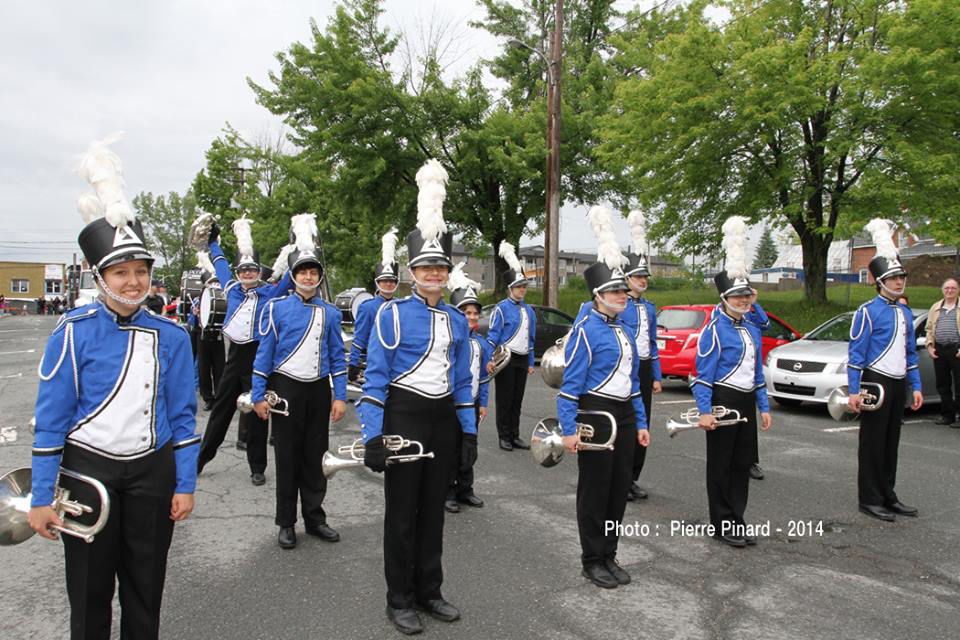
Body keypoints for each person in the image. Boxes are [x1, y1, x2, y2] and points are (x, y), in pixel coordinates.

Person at [28, 135, 198, 639]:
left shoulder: (172, 335)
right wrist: (42, 495)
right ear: (100, 276)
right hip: (87, 474)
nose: (132, 282)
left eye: (140, 271)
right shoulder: (73, 331)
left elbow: (184, 415)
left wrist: (184, 482)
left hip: (152, 471)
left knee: (146, 592)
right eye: (121, 272)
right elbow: (51, 417)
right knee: (89, 594)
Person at [358, 160, 476, 635]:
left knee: (434, 512)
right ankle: (399, 598)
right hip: (403, 415)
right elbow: (376, 380)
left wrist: (467, 431)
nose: (433, 273)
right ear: (412, 271)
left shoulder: (455, 320)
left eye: (440, 267)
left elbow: (464, 380)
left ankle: (430, 591)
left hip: (442, 418)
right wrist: (372, 435)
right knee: (402, 516)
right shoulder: (390, 314)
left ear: (447, 274)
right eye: (426, 266)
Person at [557, 206, 649, 589]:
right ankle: (591, 558)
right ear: (597, 295)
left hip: (624, 413)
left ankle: (610, 553)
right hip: (594, 413)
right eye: (614, 290)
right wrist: (567, 428)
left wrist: (641, 422)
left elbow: (631, 383)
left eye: (624, 290)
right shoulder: (584, 330)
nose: (623, 295)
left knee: (616, 490)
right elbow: (569, 387)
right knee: (594, 491)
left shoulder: (625, 329)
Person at [252, 214, 347, 549]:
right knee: (288, 458)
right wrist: (258, 394)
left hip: (319, 391)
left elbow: (338, 356)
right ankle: (286, 522)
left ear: (320, 277)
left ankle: (315, 518)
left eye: (314, 272)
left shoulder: (330, 313)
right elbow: (264, 354)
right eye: (304, 272)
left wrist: (340, 396)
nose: (309, 276)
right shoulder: (276, 309)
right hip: (286, 390)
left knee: (315, 457)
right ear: (293, 277)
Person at [194, 213, 293, 485]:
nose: (248, 274)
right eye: (244, 270)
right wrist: (213, 242)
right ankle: (201, 460)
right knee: (220, 414)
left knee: (258, 415)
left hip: (258, 361)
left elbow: (290, 279)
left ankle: (257, 467)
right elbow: (220, 262)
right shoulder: (231, 288)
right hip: (234, 359)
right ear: (238, 274)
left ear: (259, 273)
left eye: (252, 270)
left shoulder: (270, 292)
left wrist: (299, 245)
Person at [691, 216, 772, 547]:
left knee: (741, 465)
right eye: (737, 297)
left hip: (746, 401)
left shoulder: (751, 328)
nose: (743, 301)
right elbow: (700, 376)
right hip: (722, 399)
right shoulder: (714, 329)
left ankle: (737, 519)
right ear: (724, 298)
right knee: (721, 466)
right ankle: (720, 523)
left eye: (746, 297)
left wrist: (763, 406)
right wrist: (704, 410)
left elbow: (756, 374)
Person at [848, 219, 922, 521]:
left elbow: (909, 354)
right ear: (879, 281)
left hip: (898, 383)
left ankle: (888, 495)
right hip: (875, 381)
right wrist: (854, 390)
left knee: (891, 442)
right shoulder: (866, 311)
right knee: (872, 443)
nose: (898, 282)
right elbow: (855, 355)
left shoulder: (904, 311)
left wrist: (915, 386)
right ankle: (870, 498)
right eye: (892, 278)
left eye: (900, 277)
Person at [444, 263, 492, 513]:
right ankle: (448, 491)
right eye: (466, 313)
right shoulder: (450, 339)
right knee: (451, 448)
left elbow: (484, 377)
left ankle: (466, 489)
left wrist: (483, 402)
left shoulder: (483, 344)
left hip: (471, 402)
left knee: (469, 446)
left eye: (475, 313)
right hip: (451, 403)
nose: (472, 317)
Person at [487, 241, 536, 451]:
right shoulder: (500, 309)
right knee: (504, 399)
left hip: (523, 358)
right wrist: (490, 358)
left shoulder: (530, 311)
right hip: (506, 358)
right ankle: (503, 435)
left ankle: (515, 435)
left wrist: (531, 362)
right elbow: (493, 336)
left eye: (524, 287)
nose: (522, 290)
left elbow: (530, 339)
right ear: (510, 288)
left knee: (517, 400)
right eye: (518, 287)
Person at [348, 227, 400, 383]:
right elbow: (359, 338)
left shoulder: (401, 306)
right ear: (377, 283)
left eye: (392, 281)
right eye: (385, 281)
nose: (389, 284)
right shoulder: (367, 306)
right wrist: (353, 364)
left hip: (398, 364)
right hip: (374, 361)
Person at [926, 278, 960, 427]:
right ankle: (947, 415)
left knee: (959, 385)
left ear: (958, 290)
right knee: (942, 384)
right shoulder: (935, 307)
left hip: (957, 350)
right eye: (947, 288)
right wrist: (929, 346)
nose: (950, 291)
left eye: (953, 288)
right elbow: (928, 329)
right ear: (942, 290)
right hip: (940, 350)